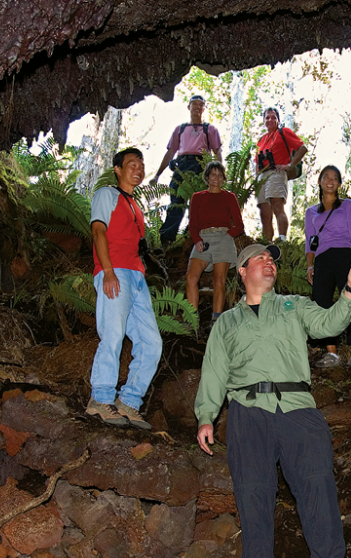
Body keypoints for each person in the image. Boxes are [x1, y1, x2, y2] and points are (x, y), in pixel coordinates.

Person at [194, 243, 351, 558]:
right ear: (241, 271)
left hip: (297, 408)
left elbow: (329, 324)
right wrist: (206, 416)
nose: (269, 263)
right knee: (253, 498)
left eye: (272, 259)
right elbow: (214, 371)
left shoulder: (293, 305)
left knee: (317, 486)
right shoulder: (226, 322)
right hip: (247, 413)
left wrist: (350, 292)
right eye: (260, 258)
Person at [85, 147, 163, 431]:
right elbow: (98, 231)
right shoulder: (107, 194)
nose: (138, 169)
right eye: (132, 164)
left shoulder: (135, 206)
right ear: (117, 169)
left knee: (151, 341)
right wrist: (107, 271)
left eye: (141, 165)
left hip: (136, 277)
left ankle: (128, 402)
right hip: (114, 270)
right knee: (113, 334)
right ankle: (100, 398)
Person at [305, 165, 351, 371]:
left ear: (339, 184)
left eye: (335, 178)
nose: (330, 181)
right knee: (321, 302)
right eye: (326, 177)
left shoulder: (348, 205)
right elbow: (309, 242)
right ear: (320, 181)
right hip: (322, 258)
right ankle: (331, 352)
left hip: (345, 256)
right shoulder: (311, 212)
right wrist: (310, 266)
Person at [150, 94, 223, 243]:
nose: (197, 107)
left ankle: (193, 239)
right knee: (177, 203)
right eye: (194, 104)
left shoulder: (210, 129)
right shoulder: (180, 129)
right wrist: (157, 175)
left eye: (200, 105)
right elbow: (170, 152)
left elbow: (217, 152)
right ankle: (166, 241)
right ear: (188, 107)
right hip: (182, 166)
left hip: (202, 166)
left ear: (204, 109)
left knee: (201, 205)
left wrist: (219, 173)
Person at [185, 161, 245, 328]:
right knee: (191, 277)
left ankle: (216, 320)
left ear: (223, 178)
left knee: (219, 280)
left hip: (223, 238)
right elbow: (193, 224)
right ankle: (192, 318)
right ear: (207, 177)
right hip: (203, 239)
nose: (216, 178)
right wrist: (197, 240)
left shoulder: (229, 197)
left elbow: (239, 225)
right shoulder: (198, 197)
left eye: (219, 175)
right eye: (213, 175)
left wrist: (228, 235)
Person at [254, 107, 307, 242]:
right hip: (262, 176)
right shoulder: (261, 140)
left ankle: (282, 239)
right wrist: (256, 179)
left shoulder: (283, 132)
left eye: (273, 117)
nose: (270, 120)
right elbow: (257, 161)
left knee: (277, 206)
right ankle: (267, 243)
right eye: (267, 117)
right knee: (265, 213)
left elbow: (302, 148)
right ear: (264, 121)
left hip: (276, 173)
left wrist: (290, 165)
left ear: (278, 120)